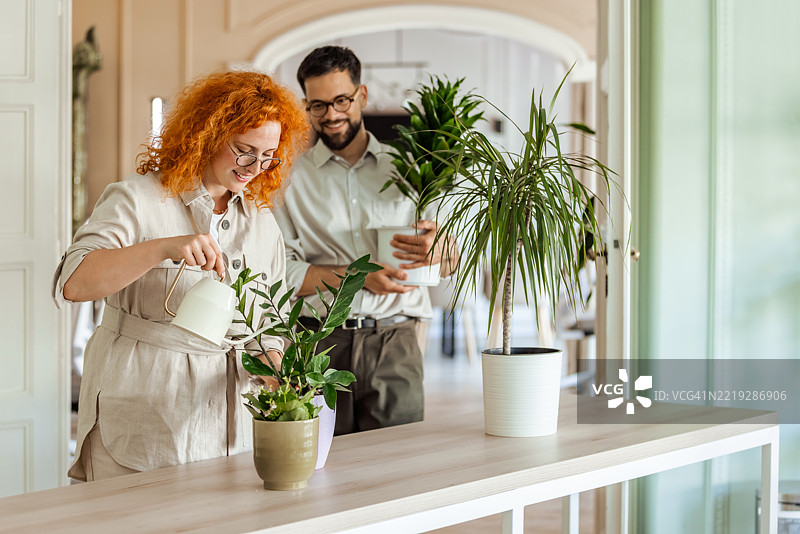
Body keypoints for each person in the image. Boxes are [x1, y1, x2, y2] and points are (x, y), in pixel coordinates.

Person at [52, 71, 308, 481]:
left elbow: (268, 328)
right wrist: (161, 248)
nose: (255, 167)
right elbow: (75, 283)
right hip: (140, 423)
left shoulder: (263, 224)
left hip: (230, 431)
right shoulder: (138, 198)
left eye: (268, 156)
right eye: (244, 150)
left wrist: (277, 371)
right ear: (207, 133)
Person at [271, 46, 458, 436]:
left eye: (341, 100)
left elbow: (447, 261)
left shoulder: (411, 168)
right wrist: (356, 276)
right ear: (307, 106)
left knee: (397, 468)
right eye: (319, 106)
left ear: (362, 96)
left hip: (396, 339)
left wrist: (443, 252)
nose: (332, 115)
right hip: (319, 340)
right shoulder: (289, 180)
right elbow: (281, 273)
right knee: (324, 468)